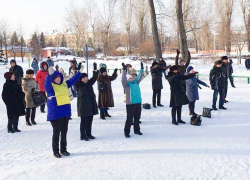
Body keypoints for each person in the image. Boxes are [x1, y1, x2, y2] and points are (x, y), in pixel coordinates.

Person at [44, 63, 82, 158]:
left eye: (59, 77)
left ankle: (63, 149)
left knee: (64, 132)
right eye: (56, 78)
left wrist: (79, 73)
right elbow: (46, 83)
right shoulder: (50, 87)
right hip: (55, 114)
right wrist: (49, 75)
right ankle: (55, 151)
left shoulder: (64, 84)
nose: (58, 79)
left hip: (65, 113)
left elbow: (72, 80)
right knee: (57, 132)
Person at [76, 63, 99, 141]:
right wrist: (77, 71)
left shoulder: (89, 83)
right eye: (84, 78)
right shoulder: (78, 85)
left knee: (90, 120)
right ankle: (83, 135)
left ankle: (89, 134)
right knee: (84, 122)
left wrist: (95, 70)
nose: (85, 79)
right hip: (83, 106)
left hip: (90, 105)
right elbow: (75, 79)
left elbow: (95, 77)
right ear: (81, 79)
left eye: (86, 77)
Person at [122, 62, 144, 138]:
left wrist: (142, 69)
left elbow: (140, 77)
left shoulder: (136, 82)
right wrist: (124, 70)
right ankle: (127, 132)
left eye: (131, 77)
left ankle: (137, 130)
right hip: (130, 104)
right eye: (129, 78)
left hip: (138, 103)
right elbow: (123, 79)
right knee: (129, 119)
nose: (131, 78)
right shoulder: (127, 85)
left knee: (137, 118)